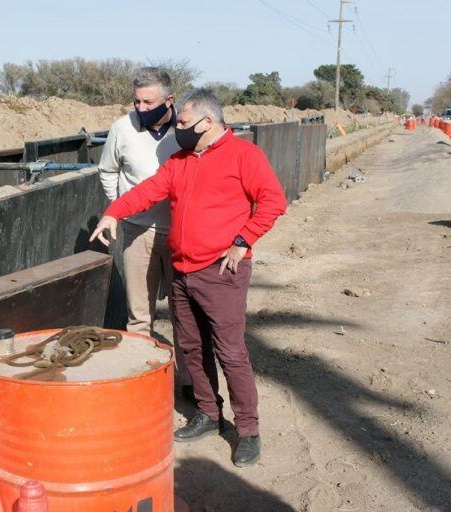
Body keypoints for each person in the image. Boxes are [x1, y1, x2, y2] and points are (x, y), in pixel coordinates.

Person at [90, 88, 287, 467]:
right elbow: (149, 191)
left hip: (221, 272)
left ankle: (248, 430)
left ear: (207, 122)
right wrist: (114, 212)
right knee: (193, 348)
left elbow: (272, 201)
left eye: (182, 122)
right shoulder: (181, 161)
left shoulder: (244, 155)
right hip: (182, 271)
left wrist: (242, 242)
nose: (177, 128)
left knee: (230, 352)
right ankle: (209, 415)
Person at [98, 67, 192, 396]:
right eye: (136, 100)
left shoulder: (185, 129)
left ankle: (190, 385)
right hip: (138, 231)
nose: (140, 108)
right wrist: (118, 206)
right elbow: (108, 170)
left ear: (169, 100)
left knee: (185, 316)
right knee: (139, 314)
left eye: (148, 101)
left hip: (180, 233)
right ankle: (143, 383)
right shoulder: (122, 129)